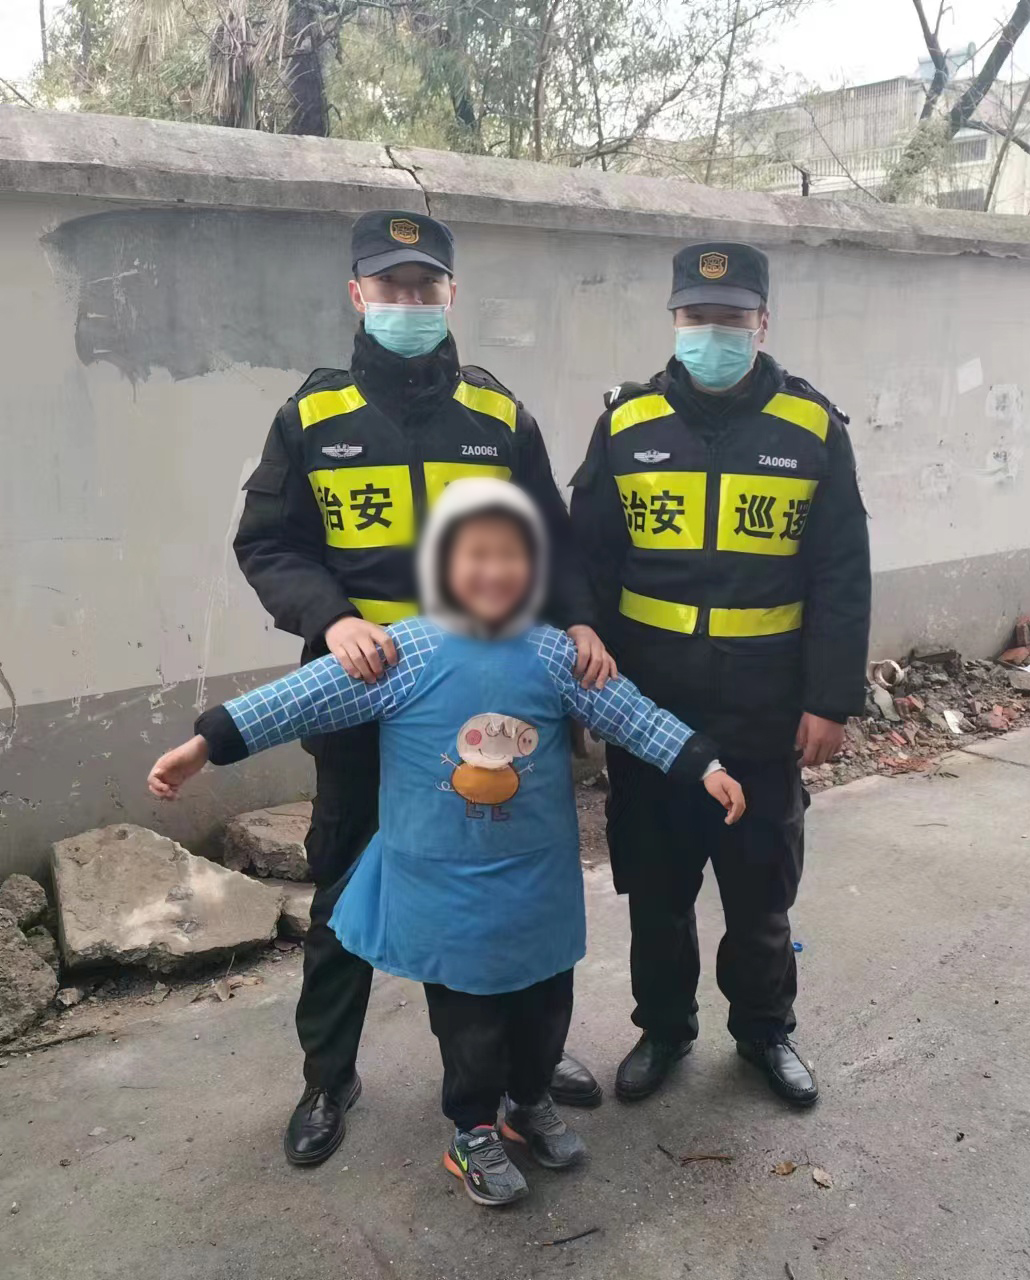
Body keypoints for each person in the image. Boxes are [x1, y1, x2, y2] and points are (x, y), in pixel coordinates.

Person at [150, 479, 746, 1207]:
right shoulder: (402, 652)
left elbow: (632, 715)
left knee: (545, 1006)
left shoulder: (554, 655)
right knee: (471, 1025)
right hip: (447, 888)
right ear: (441, 566)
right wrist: (206, 745)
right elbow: (301, 699)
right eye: (474, 555)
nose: (493, 570)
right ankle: (473, 1130)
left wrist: (704, 765)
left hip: (538, 882)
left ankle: (528, 1102)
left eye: (510, 555)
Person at [234, 210, 610, 1166]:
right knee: (345, 886)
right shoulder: (311, 418)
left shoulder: (497, 417)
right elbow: (268, 544)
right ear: (357, 295)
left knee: (509, 881)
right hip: (363, 696)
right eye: (390, 286)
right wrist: (331, 619)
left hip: (488, 703)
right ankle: (329, 1076)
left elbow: (553, 543)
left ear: (450, 296)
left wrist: (577, 622)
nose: (409, 301)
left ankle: (526, 1070)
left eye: (424, 286)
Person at [569, 241, 872, 1108]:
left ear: (761, 323)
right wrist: (583, 653)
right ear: (675, 320)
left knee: (759, 893)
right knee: (656, 892)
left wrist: (829, 700)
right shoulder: (626, 425)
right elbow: (583, 556)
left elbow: (841, 574)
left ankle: (764, 1032)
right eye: (698, 317)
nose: (713, 332)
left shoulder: (811, 428)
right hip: (650, 709)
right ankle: (664, 1029)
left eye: (731, 318)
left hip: (763, 712)